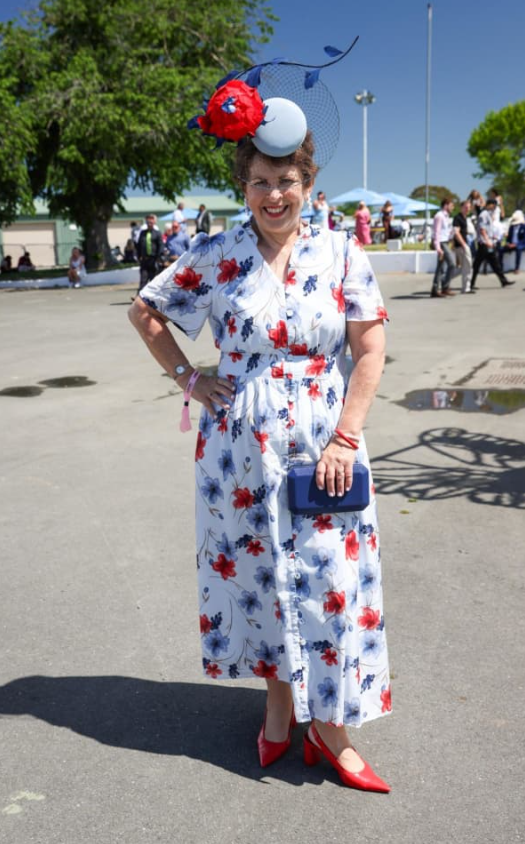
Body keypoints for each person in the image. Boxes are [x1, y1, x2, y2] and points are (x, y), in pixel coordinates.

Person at [129, 39, 391, 794]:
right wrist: (189, 377)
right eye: (260, 182)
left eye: (287, 181)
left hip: (324, 448)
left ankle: (332, 731)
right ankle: (278, 710)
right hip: (237, 456)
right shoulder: (214, 255)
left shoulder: (343, 254)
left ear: (308, 181)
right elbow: (146, 312)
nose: (273, 195)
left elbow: (369, 351)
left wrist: (346, 434)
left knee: (331, 581)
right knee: (260, 576)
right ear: (242, 184)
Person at [470, 198, 514, 290]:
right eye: (493, 206)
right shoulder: (484, 214)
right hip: (484, 244)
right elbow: (482, 229)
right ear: (489, 204)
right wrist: (487, 240)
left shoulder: (488, 214)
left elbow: (488, 229)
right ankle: (470, 284)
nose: (494, 208)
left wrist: (492, 238)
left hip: (488, 243)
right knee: (477, 265)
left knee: (495, 263)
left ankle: (503, 281)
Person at [431, 199, 456, 297]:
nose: (453, 208)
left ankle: (437, 289)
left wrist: (451, 234)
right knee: (452, 264)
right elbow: (436, 232)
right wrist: (438, 247)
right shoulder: (439, 216)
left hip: (445, 242)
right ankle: (444, 286)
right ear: (446, 205)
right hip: (441, 243)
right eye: (451, 205)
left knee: (441, 267)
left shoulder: (445, 216)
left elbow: (444, 232)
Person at [136, 214, 163, 291]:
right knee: (143, 279)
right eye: (148, 222)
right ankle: (139, 297)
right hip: (144, 260)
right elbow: (138, 246)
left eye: (151, 222)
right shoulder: (142, 233)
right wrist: (139, 256)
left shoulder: (157, 233)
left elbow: (161, 245)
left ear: (154, 223)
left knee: (153, 279)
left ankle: (153, 298)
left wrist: (158, 257)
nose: (149, 224)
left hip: (153, 259)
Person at [453, 200, 473, 293]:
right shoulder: (458, 218)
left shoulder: (464, 218)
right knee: (467, 266)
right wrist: (464, 244)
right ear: (461, 207)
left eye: (469, 207)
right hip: (461, 246)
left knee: (464, 267)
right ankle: (466, 288)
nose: (467, 209)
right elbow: (456, 233)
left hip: (462, 245)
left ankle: (466, 287)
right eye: (466, 207)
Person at [501, 210, 525, 274]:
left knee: (518, 249)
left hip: (521, 245)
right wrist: (508, 243)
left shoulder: (524, 227)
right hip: (512, 244)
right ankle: (500, 267)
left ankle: (517, 268)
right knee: (501, 250)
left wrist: (516, 244)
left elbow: (524, 239)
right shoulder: (512, 227)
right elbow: (508, 238)